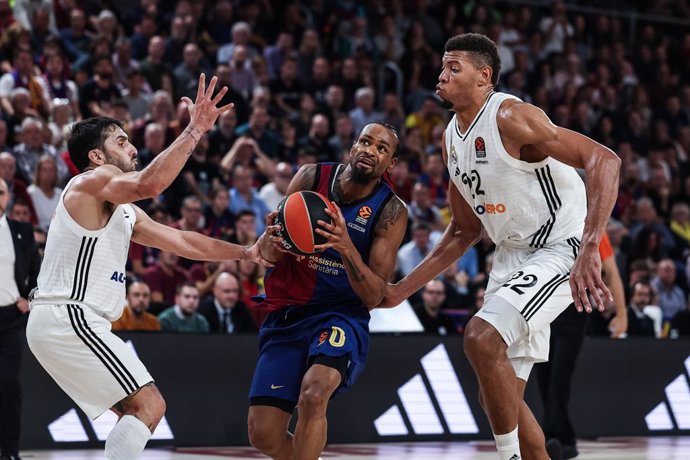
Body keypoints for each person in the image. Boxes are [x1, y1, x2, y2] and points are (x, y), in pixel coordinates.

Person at [381, 34, 620, 460]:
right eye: (443, 66)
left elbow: (605, 160)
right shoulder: (451, 139)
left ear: (484, 77)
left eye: (454, 67)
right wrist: (400, 290)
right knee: (498, 395)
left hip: (559, 245)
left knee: (480, 337)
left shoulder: (510, 115)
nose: (442, 75)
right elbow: (462, 232)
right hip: (512, 254)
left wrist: (588, 248)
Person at [25, 75, 269, 460]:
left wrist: (246, 253)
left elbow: (184, 242)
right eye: (121, 141)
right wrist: (195, 129)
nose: (133, 147)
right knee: (150, 406)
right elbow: (151, 183)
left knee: (136, 413)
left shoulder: (121, 210)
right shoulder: (92, 182)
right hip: (69, 316)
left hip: (69, 321)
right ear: (96, 156)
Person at [247, 122, 408, 460]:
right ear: (353, 146)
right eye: (366, 141)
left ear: (390, 164)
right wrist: (276, 238)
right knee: (262, 435)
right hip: (288, 313)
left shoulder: (390, 210)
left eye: (382, 149)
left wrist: (346, 246)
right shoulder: (310, 178)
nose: (370, 151)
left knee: (314, 393)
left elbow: (373, 295)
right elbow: (270, 256)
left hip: (339, 315)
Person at [536, 233, 628, 460]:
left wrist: (623, 313)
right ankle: (564, 439)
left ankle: (551, 438)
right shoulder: (549, 221)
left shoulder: (594, 228)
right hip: (544, 309)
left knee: (559, 380)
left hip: (574, 310)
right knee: (544, 380)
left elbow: (612, 272)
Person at [0, 178, 41, 460]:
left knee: (9, 385)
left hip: (10, 318)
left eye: (0, 191)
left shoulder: (22, 231)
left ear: (8, 198)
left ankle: (10, 452)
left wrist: (30, 299)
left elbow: (39, 273)